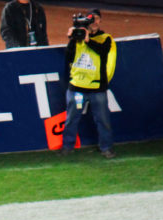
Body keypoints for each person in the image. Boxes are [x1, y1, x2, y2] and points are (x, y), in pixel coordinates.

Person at [60, 8, 117, 158]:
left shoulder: (106, 38)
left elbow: (103, 51)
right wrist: (72, 39)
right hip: (77, 87)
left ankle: (106, 147)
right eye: (92, 19)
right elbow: (69, 56)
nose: (95, 22)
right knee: (72, 119)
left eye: (97, 19)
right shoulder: (77, 37)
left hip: (97, 88)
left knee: (103, 120)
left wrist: (88, 40)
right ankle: (67, 146)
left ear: (100, 21)